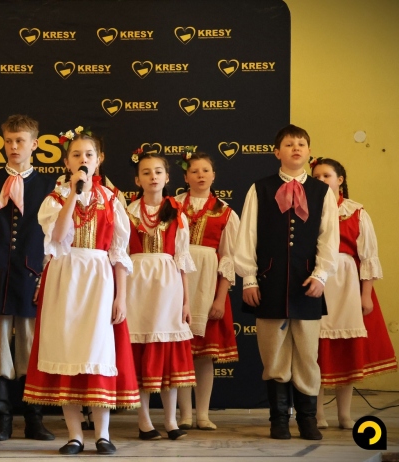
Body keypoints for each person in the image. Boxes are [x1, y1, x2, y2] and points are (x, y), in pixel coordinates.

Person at [23, 130, 139, 455]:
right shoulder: (55, 199)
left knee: (97, 352)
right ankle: (75, 435)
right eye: (76, 155)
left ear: (99, 160)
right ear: (66, 162)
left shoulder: (112, 200)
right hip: (65, 279)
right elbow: (58, 236)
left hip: (99, 280)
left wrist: (121, 297)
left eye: (89, 154)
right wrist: (73, 194)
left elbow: (119, 253)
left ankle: (103, 434)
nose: (83, 160)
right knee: (67, 350)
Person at [235, 124, 339, 440]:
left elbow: (328, 237)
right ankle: (279, 420)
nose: (296, 148)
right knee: (274, 356)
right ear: (276, 152)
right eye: (290, 144)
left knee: (307, 356)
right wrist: (249, 278)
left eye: (301, 144)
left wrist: (321, 274)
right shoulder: (260, 189)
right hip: (269, 284)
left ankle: (307, 420)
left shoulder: (322, 192)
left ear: (309, 151)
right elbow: (247, 235)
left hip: (307, 286)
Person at [310, 157, 397, 429]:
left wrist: (366, 294)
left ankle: (344, 414)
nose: (321, 181)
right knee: (314, 351)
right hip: (317, 283)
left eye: (326, 176)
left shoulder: (356, 212)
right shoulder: (305, 211)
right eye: (316, 177)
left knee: (345, 352)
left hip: (347, 285)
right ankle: (317, 414)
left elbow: (368, 256)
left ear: (340, 180)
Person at [0, 114, 55, 442]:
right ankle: (2, 418)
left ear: (34, 144)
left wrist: (44, 271)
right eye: (9, 141)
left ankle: (33, 418)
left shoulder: (49, 185)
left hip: (31, 273)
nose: (14, 147)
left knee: (30, 344)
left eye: (20, 141)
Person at [125, 151, 196, 441]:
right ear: (137, 180)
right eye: (146, 172)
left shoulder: (178, 214)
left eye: (158, 172)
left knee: (168, 354)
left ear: (167, 178)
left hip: (168, 288)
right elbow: (120, 256)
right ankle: (143, 421)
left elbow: (182, 261)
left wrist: (186, 301)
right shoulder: (127, 213)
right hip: (136, 287)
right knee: (140, 351)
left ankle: (170, 420)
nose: (152, 177)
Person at [173, 151, 240, 431]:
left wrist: (220, 298)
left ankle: (202, 414)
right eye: (194, 171)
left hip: (207, 286)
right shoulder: (172, 206)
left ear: (214, 176)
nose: (200, 175)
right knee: (180, 352)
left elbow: (229, 258)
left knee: (203, 356)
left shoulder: (226, 212)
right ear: (185, 177)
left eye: (205, 170)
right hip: (176, 282)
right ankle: (184, 415)